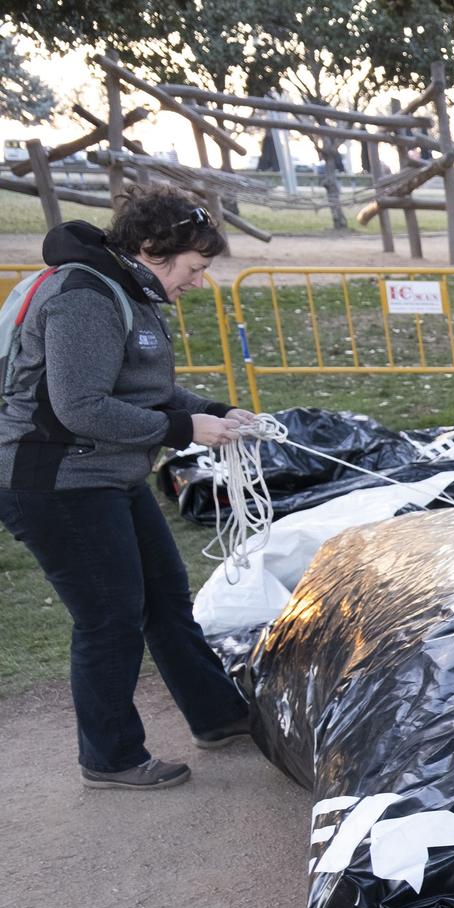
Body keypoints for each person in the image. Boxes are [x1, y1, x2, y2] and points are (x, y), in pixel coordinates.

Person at [0, 188, 257, 789]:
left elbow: (145, 391)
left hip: (106, 474)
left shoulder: (128, 290)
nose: (198, 282)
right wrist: (185, 429)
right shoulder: (84, 297)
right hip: (56, 480)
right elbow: (81, 407)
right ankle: (110, 757)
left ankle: (218, 717)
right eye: (195, 267)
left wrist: (218, 412)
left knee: (165, 597)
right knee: (109, 616)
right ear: (152, 248)